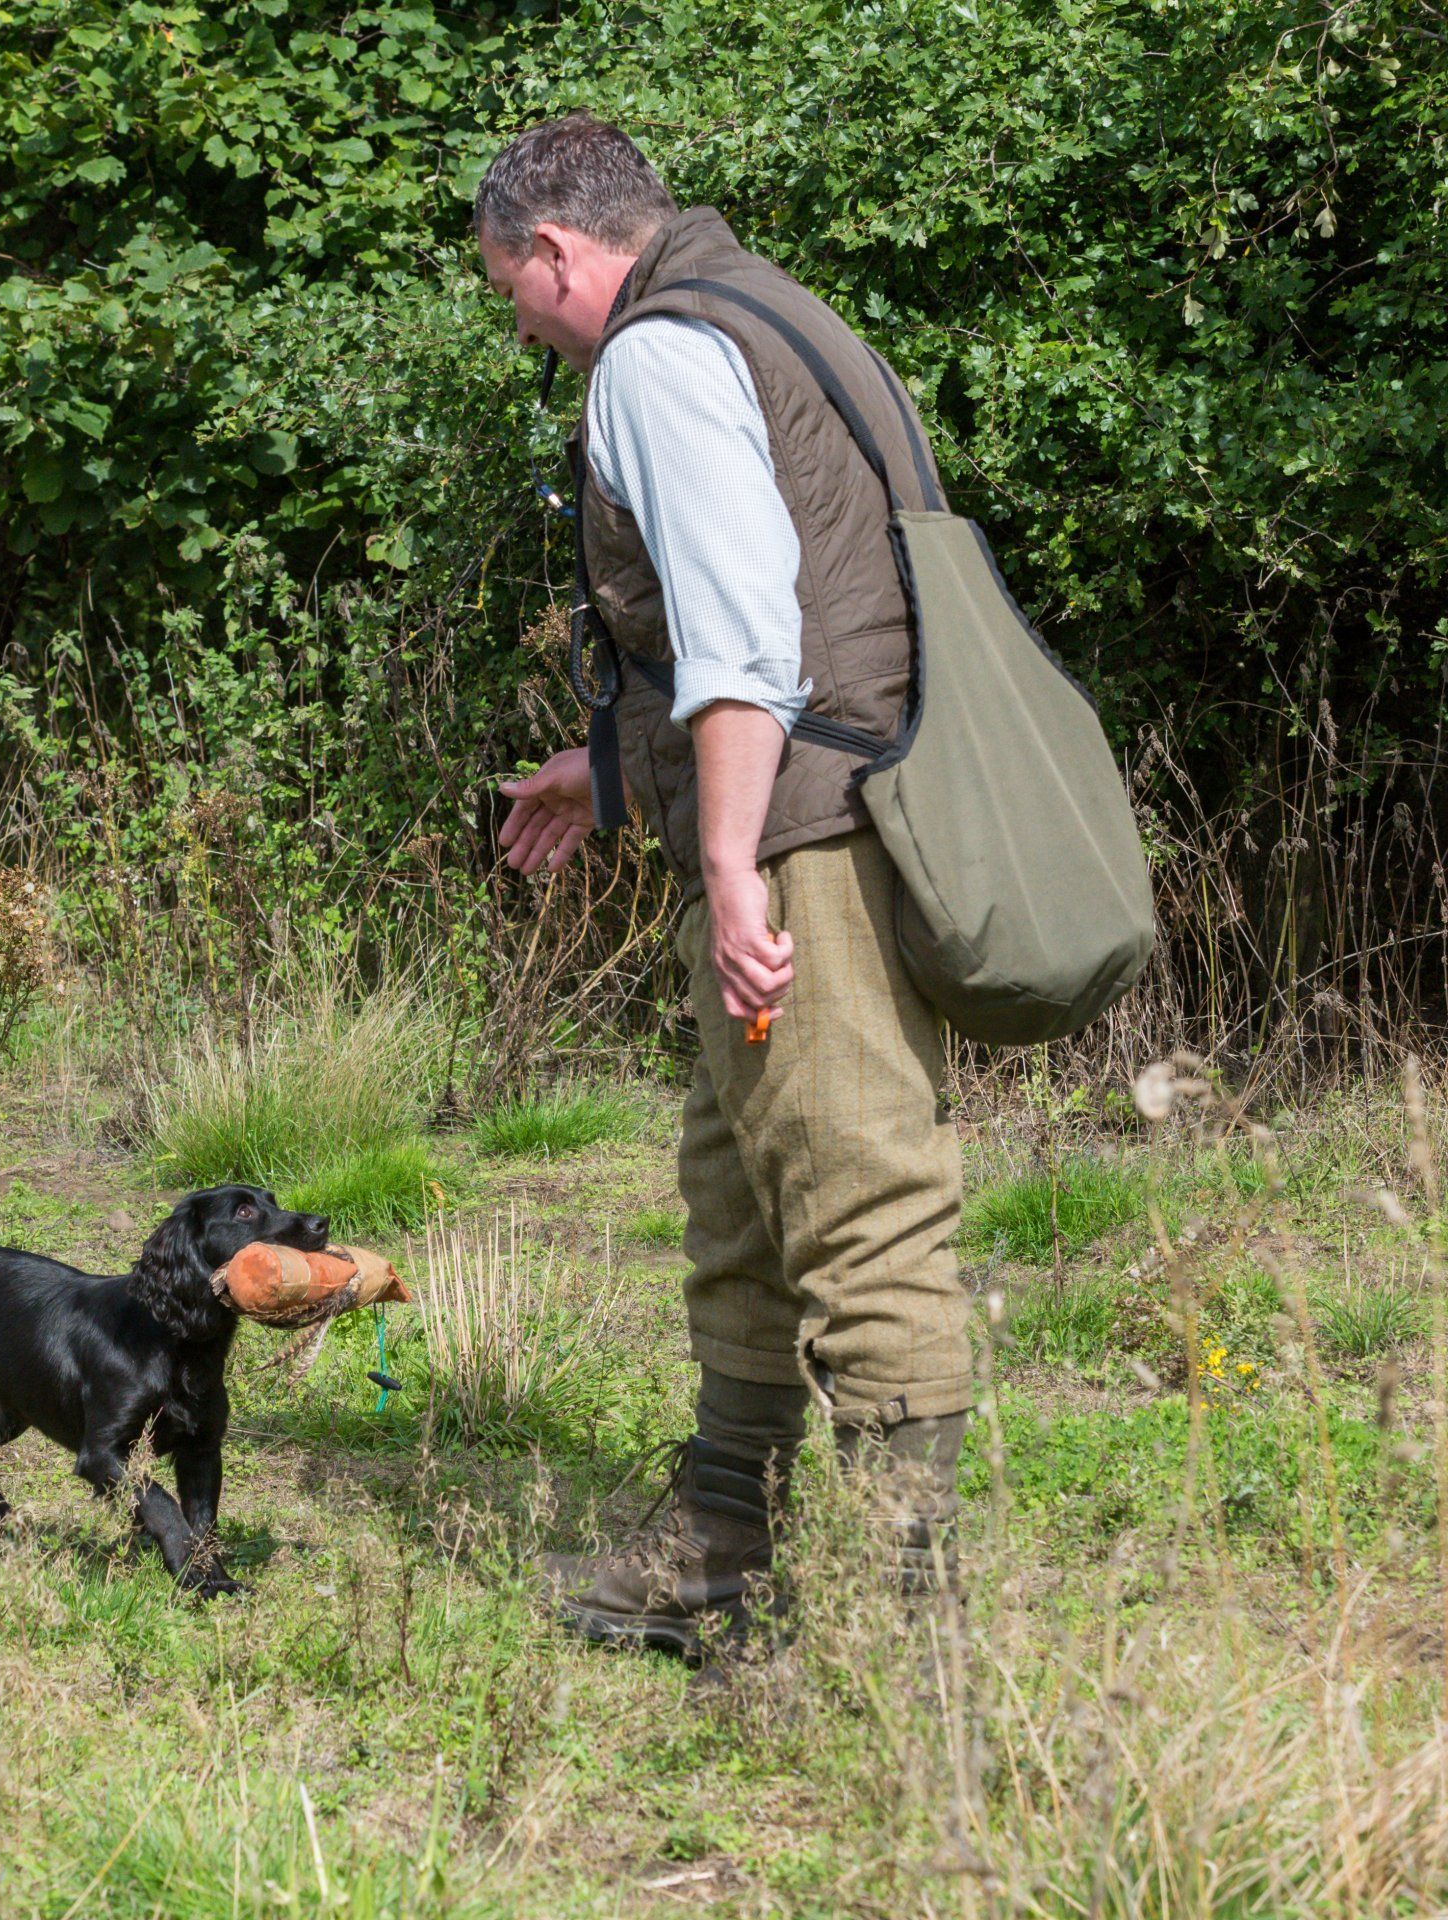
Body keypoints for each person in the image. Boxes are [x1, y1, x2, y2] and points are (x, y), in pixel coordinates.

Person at [476, 114, 972, 1656]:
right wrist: (605, 765)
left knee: (855, 1192)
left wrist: (730, 861)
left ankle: (913, 1622)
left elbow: (748, 629)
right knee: (743, 1182)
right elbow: (806, 585)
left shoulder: (655, 354)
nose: (521, 323)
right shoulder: (766, 306)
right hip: (838, 799)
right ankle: (723, 1540)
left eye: (511, 290)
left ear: (556, 253)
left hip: (806, 826)